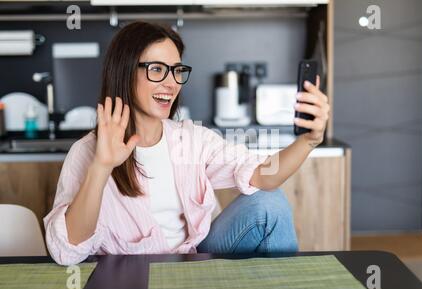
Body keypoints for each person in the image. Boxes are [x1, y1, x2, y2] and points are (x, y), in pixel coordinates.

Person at [44, 21, 330, 266]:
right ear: (125, 71)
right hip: (127, 275)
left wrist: (309, 139)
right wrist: (102, 166)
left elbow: (262, 174)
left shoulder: (191, 139)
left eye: (177, 70)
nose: (171, 83)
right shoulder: (85, 152)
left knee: (271, 202)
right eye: (157, 69)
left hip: (193, 263)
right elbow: (66, 252)